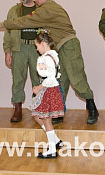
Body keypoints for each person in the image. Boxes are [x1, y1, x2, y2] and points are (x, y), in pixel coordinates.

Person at [0, 0, 99, 124]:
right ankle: (59, 114)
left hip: (68, 46)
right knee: (62, 82)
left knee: (76, 78)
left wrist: (3, 24)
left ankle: (92, 108)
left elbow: (25, 22)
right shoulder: (49, 7)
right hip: (60, 47)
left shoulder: (47, 9)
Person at [4, 0, 40, 122]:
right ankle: (17, 108)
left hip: (37, 49)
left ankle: (38, 108)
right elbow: (7, 32)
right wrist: (7, 51)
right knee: (18, 79)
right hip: (19, 48)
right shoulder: (14, 11)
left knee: (38, 79)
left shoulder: (41, 9)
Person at [29, 30, 64, 159]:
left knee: (45, 119)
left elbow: (50, 78)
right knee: (38, 116)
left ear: (43, 44)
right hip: (53, 89)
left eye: (37, 46)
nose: (37, 49)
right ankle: (55, 141)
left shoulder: (44, 59)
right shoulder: (54, 55)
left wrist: (39, 87)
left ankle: (52, 149)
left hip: (48, 89)